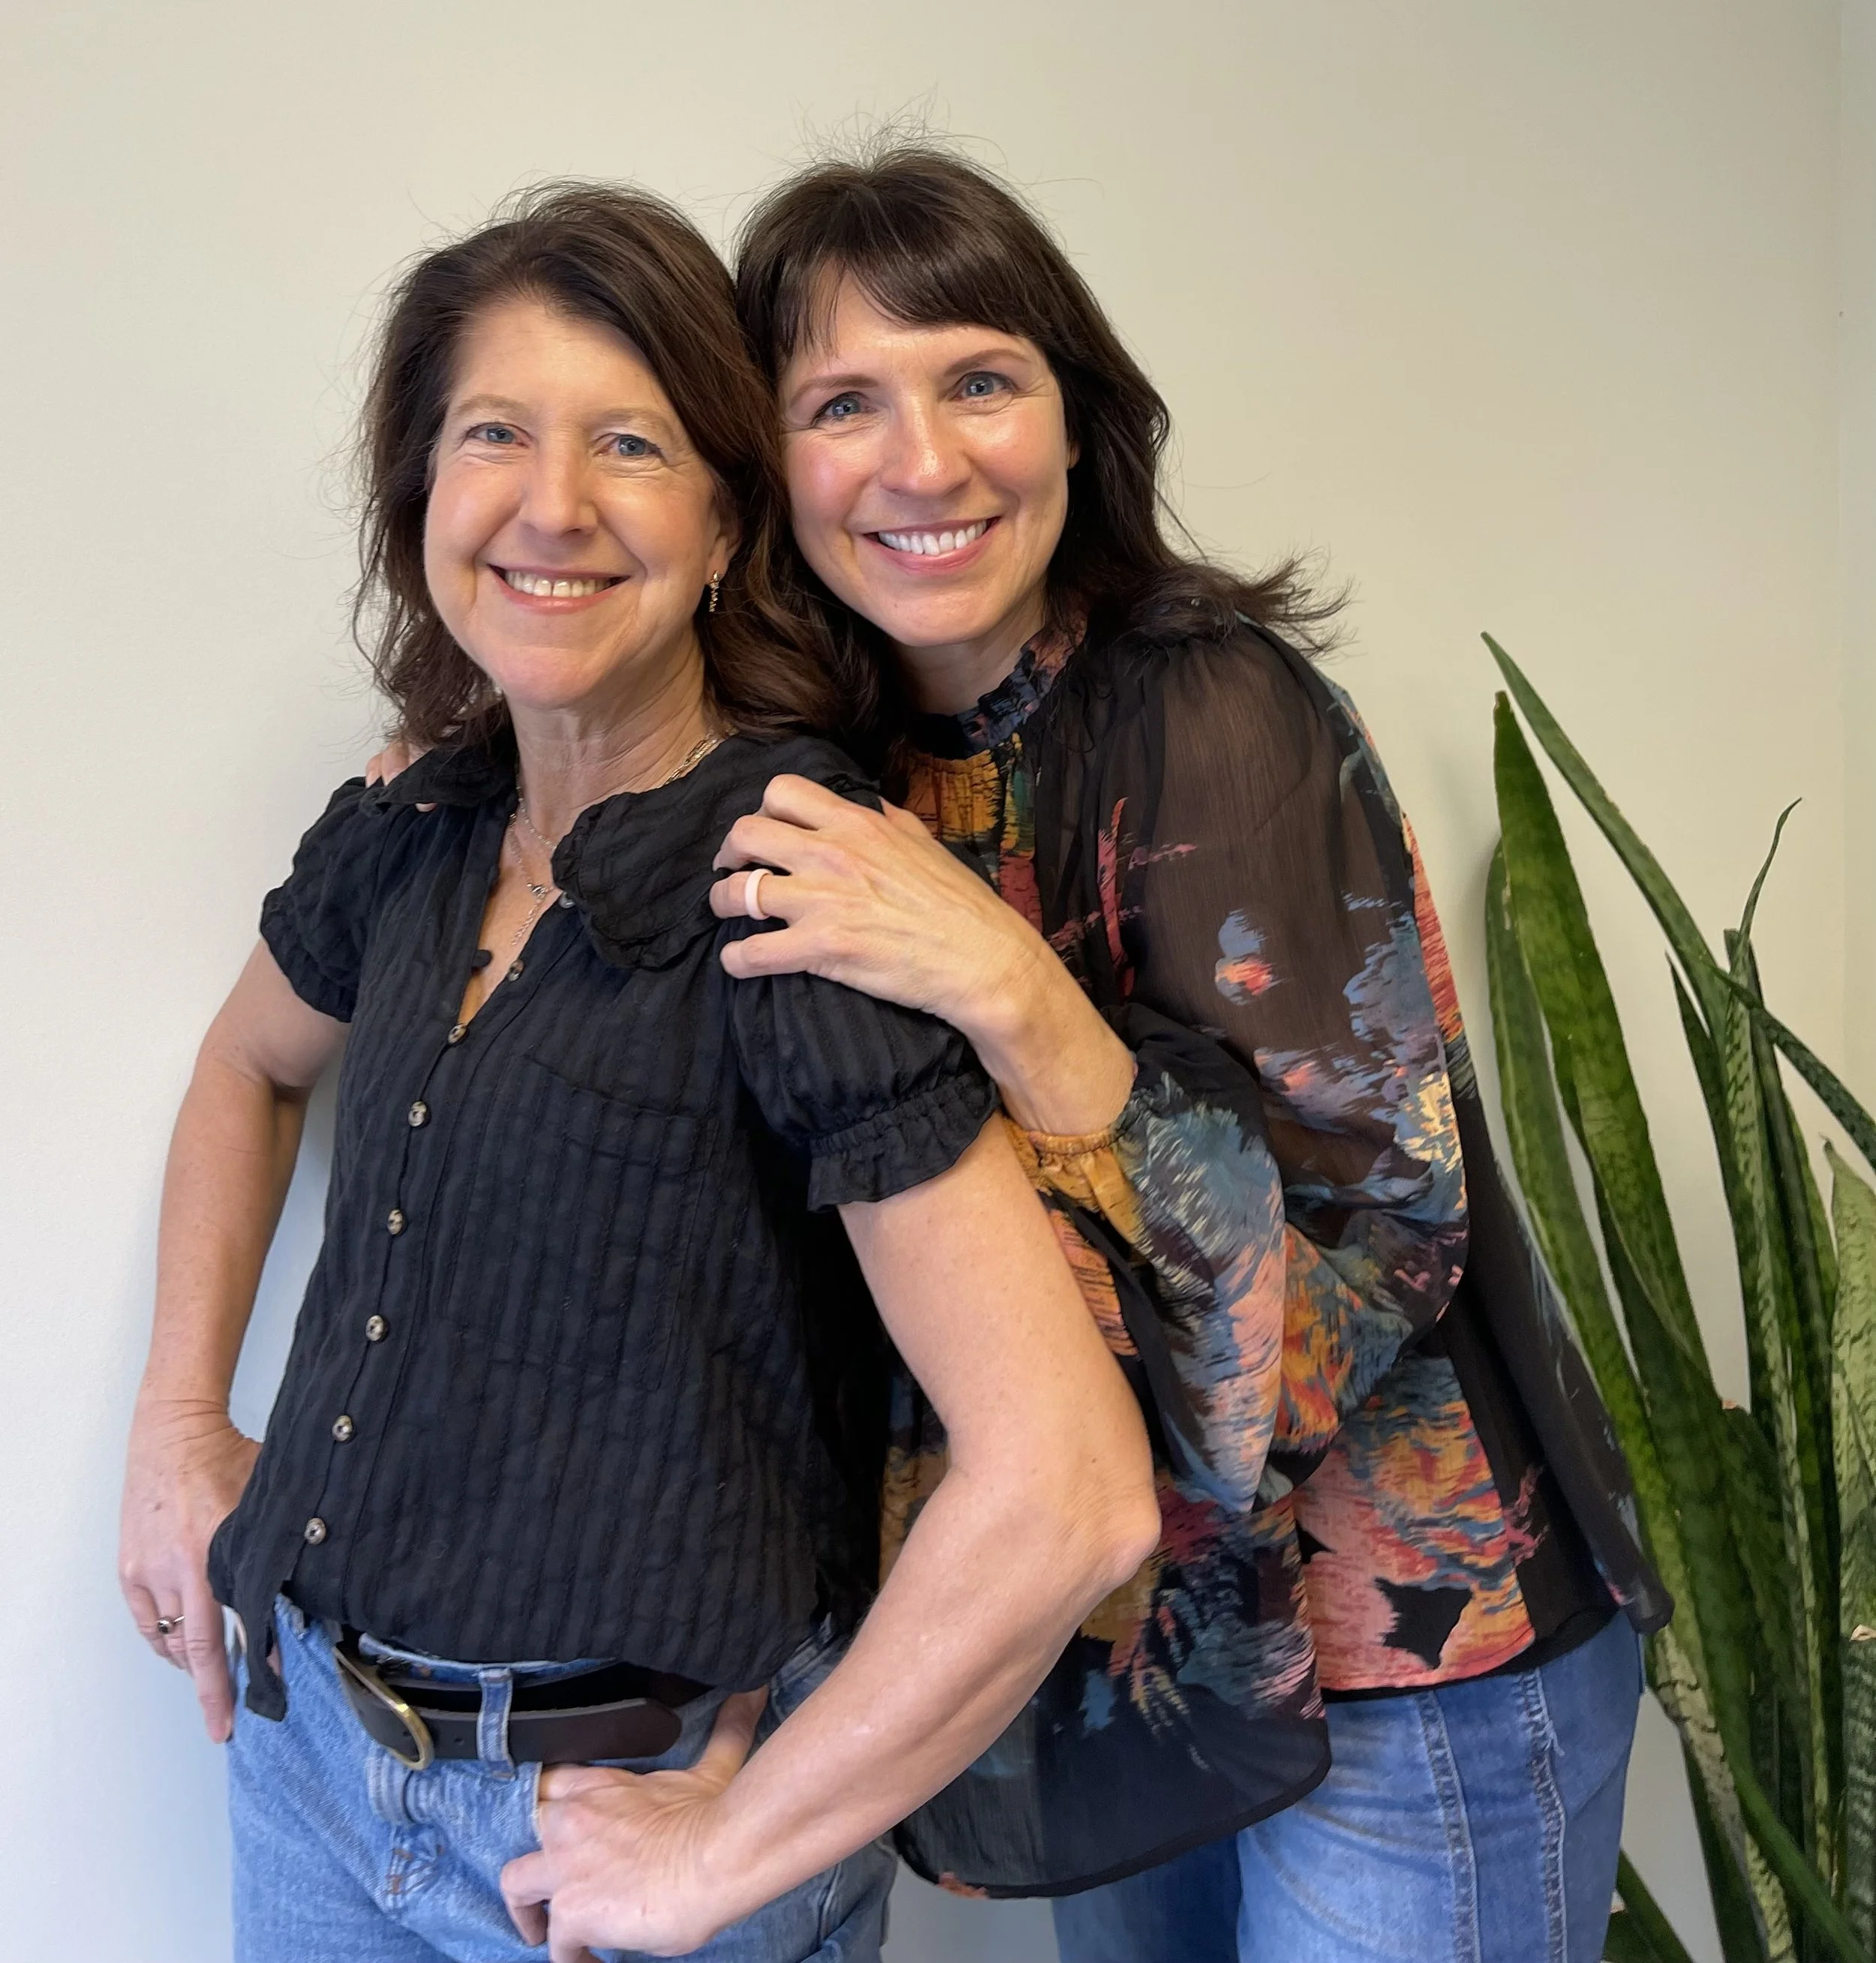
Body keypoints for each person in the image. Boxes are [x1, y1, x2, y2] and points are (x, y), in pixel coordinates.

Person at [116, 182, 1161, 1963]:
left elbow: (1068, 1488)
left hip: (609, 1859)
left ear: (725, 518)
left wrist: (728, 1848)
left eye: (630, 443)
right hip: (305, 1768)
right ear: (422, 495)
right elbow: (245, 1065)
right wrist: (179, 1422)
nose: (552, 504)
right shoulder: (414, 825)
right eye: (492, 436)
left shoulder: (794, 884)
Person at [695, 146, 1669, 1962]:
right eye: (842, 402)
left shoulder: (1211, 705)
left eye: (979, 378)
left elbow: (1364, 1275)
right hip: (1129, 1665)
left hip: (1404, 1659)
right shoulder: (832, 773)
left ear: (1078, 422)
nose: (922, 462)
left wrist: (1018, 992)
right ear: (770, 472)